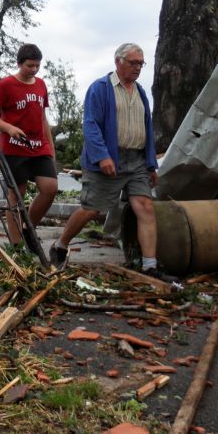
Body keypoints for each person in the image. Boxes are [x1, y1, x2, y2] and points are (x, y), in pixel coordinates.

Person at [48, 43, 169, 279]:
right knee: (92, 209)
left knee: (145, 207)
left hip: (136, 161)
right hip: (108, 158)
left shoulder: (140, 91)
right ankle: (60, 245)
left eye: (140, 63)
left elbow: (147, 128)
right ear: (118, 62)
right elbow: (90, 125)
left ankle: (150, 266)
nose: (137, 68)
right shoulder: (101, 88)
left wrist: (151, 164)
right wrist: (103, 155)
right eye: (133, 63)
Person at [0, 44, 59, 250]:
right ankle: (16, 245)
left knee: (50, 188)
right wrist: (8, 128)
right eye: (30, 66)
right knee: (16, 195)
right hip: (14, 149)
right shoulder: (6, 85)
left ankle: (28, 229)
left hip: (39, 148)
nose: (34, 70)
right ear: (19, 63)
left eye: (37, 66)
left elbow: (43, 117)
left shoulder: (41, 85)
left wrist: (50, 148)